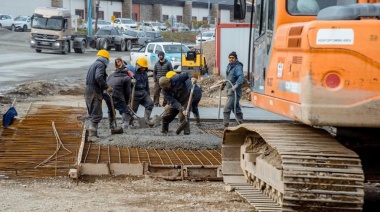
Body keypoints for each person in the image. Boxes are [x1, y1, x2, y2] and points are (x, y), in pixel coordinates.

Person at [84, 49, 113, 141]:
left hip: (89, 90)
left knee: (92, 113)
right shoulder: (100, 65)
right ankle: (92, 136)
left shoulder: (94, 64)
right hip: (94, 91)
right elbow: (98, 77)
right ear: (106, 59)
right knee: (96, 113)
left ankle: (91, 133)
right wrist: (106, 86)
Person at [103, 57, 133, 130]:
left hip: (106, 94)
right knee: (125, 111)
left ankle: (111, 126)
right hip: (116, 94)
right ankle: (125, 127)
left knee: (111, 109)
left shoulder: (112, 74)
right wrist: (127, 103)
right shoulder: (127, 78)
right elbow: (127, 92)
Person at [131, 57, 154, 127]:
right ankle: (128, 122)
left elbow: (147, 85)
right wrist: (131, 81)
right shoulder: (133, 74)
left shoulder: (144, 74)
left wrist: (148, 94)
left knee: (150, 103)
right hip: (135, 94)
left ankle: (146, 119)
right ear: (139, 66)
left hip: (143, 93)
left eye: (144, 67)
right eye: (142, 67)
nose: (144, 69)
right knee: (132, 110)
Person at [223, 51, 244, 128]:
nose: (231, 59)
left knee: (227, 107)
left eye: (233, 58)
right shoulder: (229, 66)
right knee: (235, 107)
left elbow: (241, 77)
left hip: (234, 92)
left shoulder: (238, 67)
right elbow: (229, 78)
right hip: (229, 90)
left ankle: (225, 125)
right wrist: (224, 83)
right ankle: (241, 123)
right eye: (230, 58)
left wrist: (235, 86)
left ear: (235, 58)